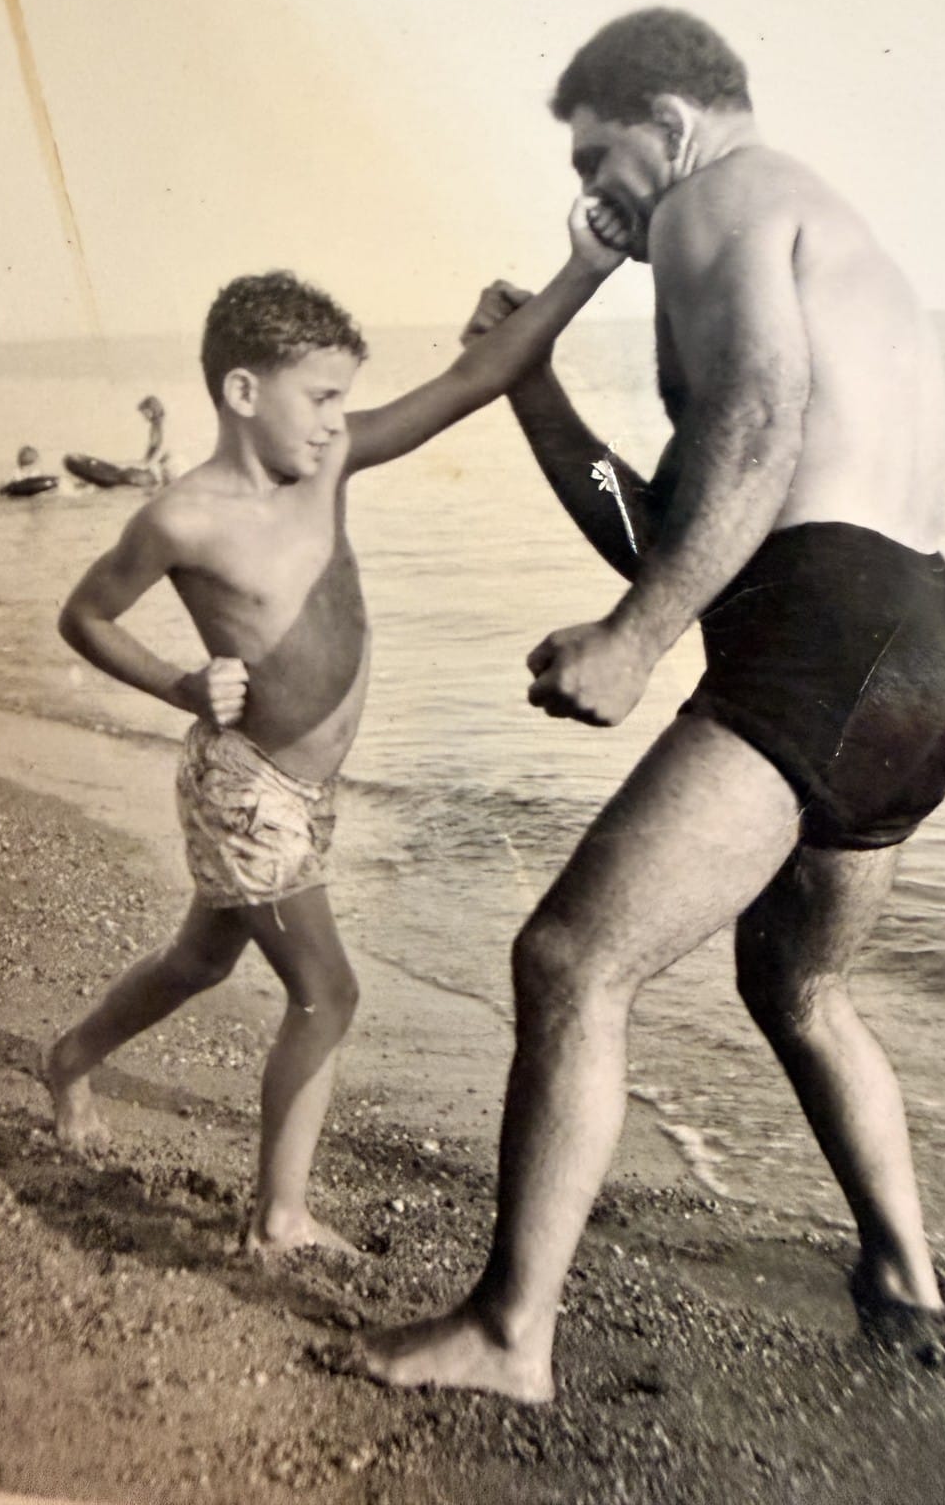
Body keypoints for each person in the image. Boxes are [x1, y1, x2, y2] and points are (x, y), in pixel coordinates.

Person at [360, 8, 945, 1400]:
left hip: (824, 640)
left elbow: (758, 419)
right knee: (798, 981)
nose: (593, 196)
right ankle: (904, 1282)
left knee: (571, 961)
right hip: (921, 649)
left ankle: (511, 1334)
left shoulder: (716, 195)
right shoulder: (807, 217)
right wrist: (539, 404)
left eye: (598, 156)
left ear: (669, 118)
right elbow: (695, 526)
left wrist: (640, 643)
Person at [44, 206, 623, 1255]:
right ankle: (279, 1219)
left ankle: (73, 1054)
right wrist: (180, 681)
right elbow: (83, 616)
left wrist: (582, 267)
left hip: (306, 791)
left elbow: (470, 382)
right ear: (242, 392)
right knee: (327, 992)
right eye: (318, 398)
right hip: (247, 784)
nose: (331, 420)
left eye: (342, 400)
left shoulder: (330, 465)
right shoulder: (183, 516)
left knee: (202, 957)